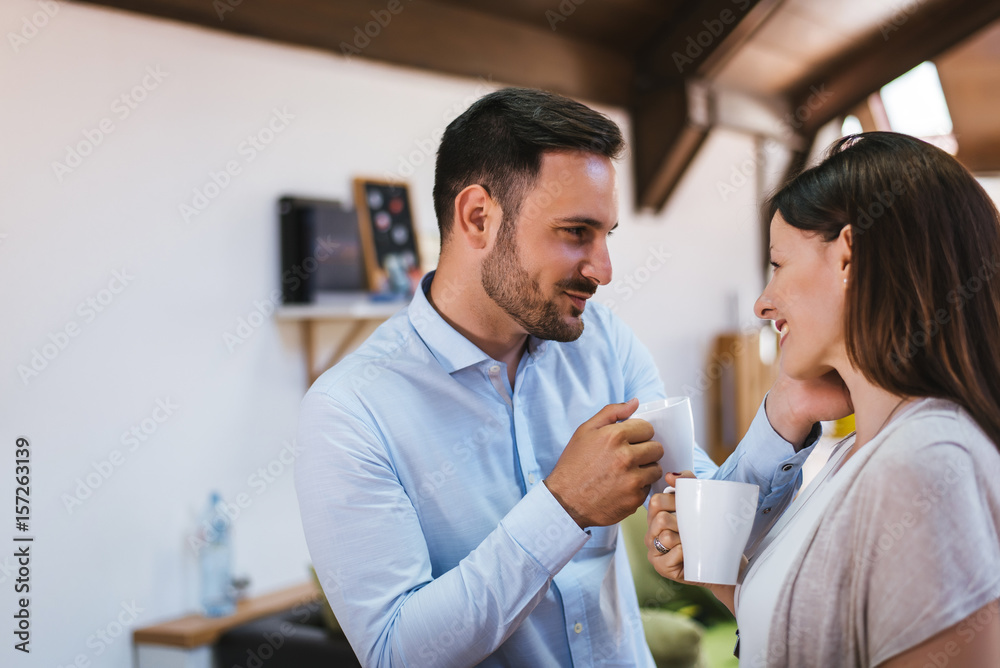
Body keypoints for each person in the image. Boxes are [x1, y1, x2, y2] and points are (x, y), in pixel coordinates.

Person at [294, 87, 829, 667]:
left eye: (606, 235)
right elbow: (396, 653)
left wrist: (785, 416)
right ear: (478, 217)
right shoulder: (350, 412)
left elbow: (699, 504)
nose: (604, 269)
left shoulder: (603, 341)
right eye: (576, 232)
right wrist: (564, 506)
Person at [645, 131, 1000, 667]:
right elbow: (810, 633)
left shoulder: (923, 461)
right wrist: (713, 567)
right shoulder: (857, 453)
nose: (764, 304)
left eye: (778, 264)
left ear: (849, 257)